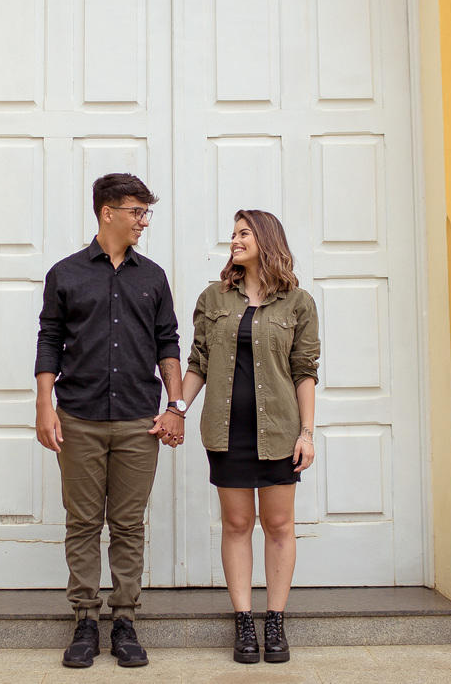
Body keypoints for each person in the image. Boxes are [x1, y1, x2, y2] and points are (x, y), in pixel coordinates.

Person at [34, 173, 187, 668]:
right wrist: (44, 405)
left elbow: (168, 342)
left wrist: (175, 406)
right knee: (81, 522)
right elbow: (49, 340)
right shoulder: (66, 273)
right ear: (107, 213)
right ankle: (83, 619)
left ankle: (124, 620)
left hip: (138, 420)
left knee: (127, 524)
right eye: (136, 211)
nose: (144, 221)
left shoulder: (153, 276)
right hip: (78, 416)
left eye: (146, 212)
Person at [172, 209, 320, 664]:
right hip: (227, 431)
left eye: (243, 233)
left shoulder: (298, 303)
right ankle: (244, 624)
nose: (234, 240)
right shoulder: (214, 298)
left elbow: (304, 372)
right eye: (233, 234)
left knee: (279, 526)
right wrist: (176, 409)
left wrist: (307, 433)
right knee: (236, 525)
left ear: (266, 239)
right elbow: (197, 362)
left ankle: (274, 621)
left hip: (278, 432)